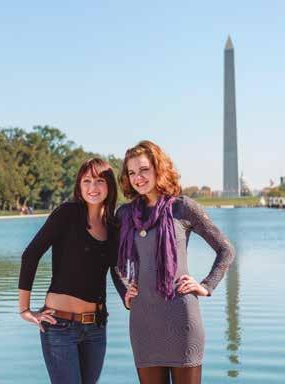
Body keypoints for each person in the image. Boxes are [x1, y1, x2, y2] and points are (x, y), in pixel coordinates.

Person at [117, 140, 234, 384]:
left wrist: (205, 286)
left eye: (144, 169)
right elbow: (112, 261)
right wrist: (124, 290)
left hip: (181, 318)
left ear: (158, 169)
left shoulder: (183, 208)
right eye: (132, 172)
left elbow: (226, 250)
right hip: (143, 321)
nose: (138, 177)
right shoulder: (125, 215)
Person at [18, 158, 127, 384]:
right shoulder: (66, 214)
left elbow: (115, 270)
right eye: (86, 181)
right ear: (79, 185)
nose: (92, 187)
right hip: (60, 326)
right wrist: (25, 310)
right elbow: (30, 255)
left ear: (109, 185)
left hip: (96, 328)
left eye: (99, 181)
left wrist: (128, 297)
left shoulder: (114, 225)